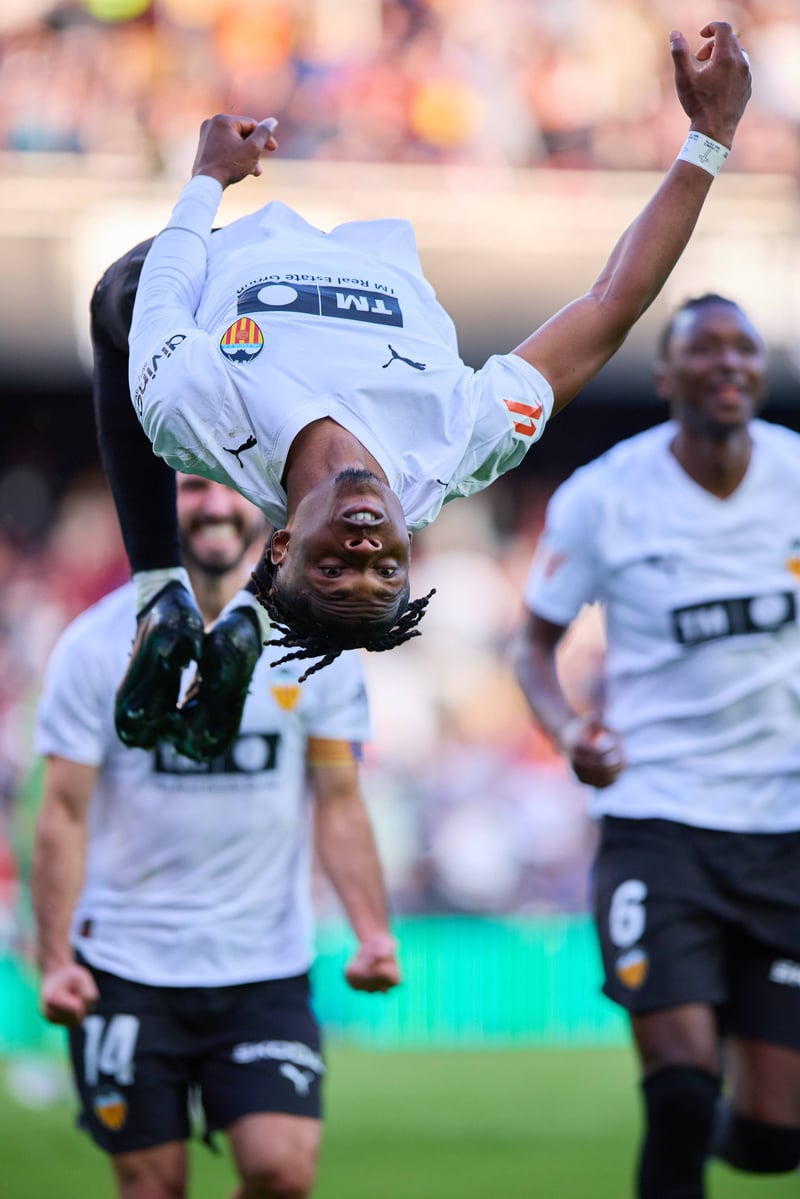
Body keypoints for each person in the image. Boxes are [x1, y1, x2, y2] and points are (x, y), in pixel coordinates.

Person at [95, 20, 750, 756]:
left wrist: (207, 178)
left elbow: (166, 290)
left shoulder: (193, 410)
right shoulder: (460, 442)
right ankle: (248, 617)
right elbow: (608, 307)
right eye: (387, 566)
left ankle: (160, 589)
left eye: (336, 566)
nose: (365, 545)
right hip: (374, 253)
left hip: (230, 255)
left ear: (280, 545)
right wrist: (709, 136)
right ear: (410, 543)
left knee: (113, 301)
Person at [31, 471, 400, 1199]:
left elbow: (338, 800)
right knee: (152, 1186)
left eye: (233, 490)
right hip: (127, 965)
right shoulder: (95, 645)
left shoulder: (315, 643)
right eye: (195, 487)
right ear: (160, 501)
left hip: (264, 964)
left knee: (282, 1171)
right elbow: (63, 812)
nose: (216, 506)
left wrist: (372, 930)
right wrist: (54, 960)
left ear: (268, 511)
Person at [512, 294, 800, 1198]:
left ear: (761, 370)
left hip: (783, 829)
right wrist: (570, 730)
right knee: (679, 1092)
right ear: (667, 376)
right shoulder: (603, 497)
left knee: (775, 1140)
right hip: (658, 822)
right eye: (705, 350)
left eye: (743, 348)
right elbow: (531, 647)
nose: (728, 364)